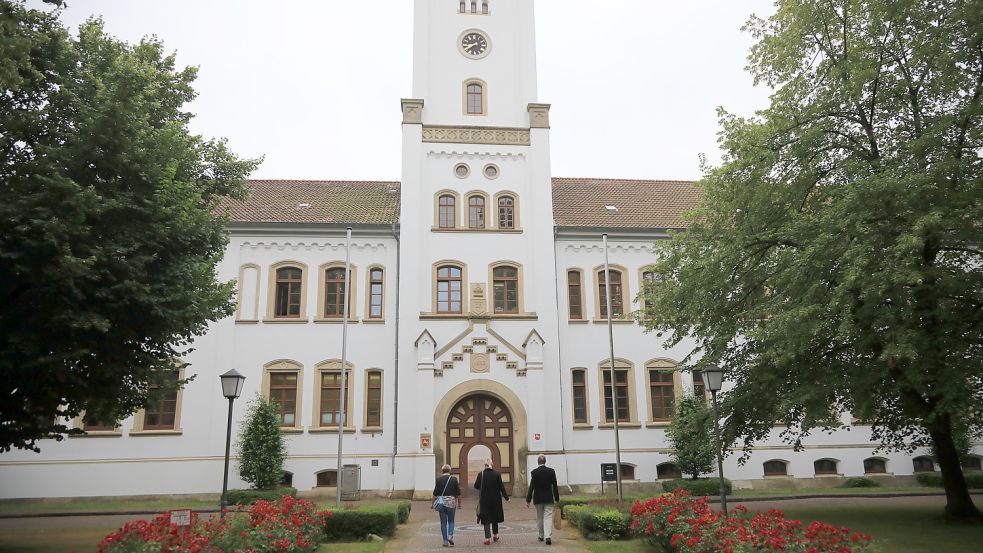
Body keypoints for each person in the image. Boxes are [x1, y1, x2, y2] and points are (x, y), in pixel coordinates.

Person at [526, 454, 560, 545]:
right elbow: (555, 486)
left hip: (538, 499)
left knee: (540, 517)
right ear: (545, 461)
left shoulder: (534, 472)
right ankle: (548, 536)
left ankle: (541, 535)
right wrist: (557, 498)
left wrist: (528, 500)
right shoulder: (551, 471)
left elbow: (531, 487)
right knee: (548, 517)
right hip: (548, 498)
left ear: (538, 462)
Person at [474, 458, 509, 545]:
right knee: (495, 518)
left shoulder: (481, 474)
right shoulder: (497, 474)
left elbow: (476, 486)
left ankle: (487, 538)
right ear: (491, 465)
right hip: (496, 500)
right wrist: (507, 498)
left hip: (484, 500)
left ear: (485, 465)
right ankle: (496, 535)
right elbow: (502, 487)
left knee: (486, 519)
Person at [432, 464, 462, 547]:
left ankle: (445, 541)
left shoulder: (439, 480)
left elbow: (435, 493)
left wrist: (432, 504)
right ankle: (450, 536)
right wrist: (459, 504)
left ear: (442, 471)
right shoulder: (454, 479)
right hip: (451, 502)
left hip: (442, 503)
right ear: (450, 470)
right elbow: (458, 493)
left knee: (443, 522)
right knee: (451, 521)